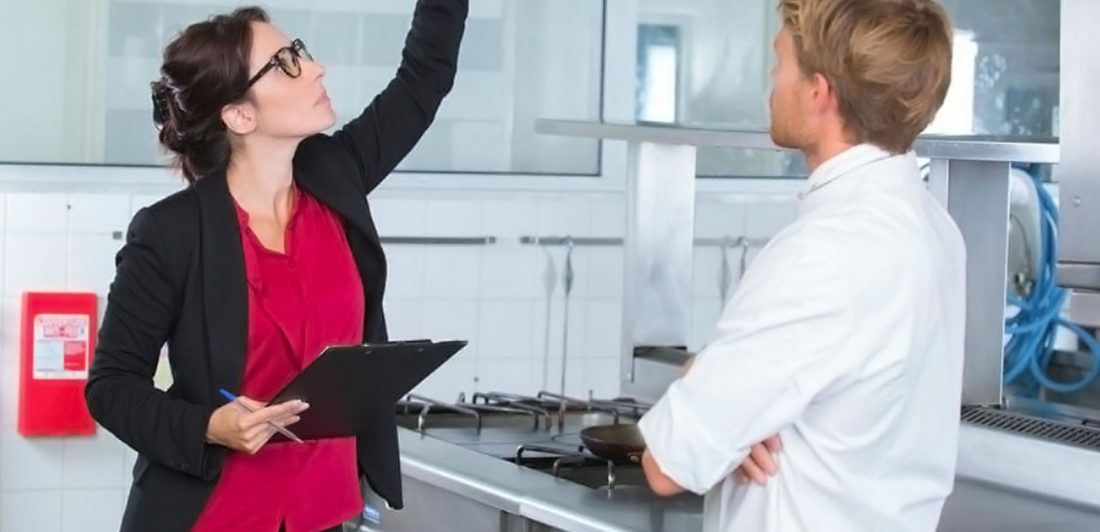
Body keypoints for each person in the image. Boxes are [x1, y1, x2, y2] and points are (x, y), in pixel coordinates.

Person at [84, 1, 467, 530]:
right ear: (239, 115)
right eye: (285, 62)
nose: (314, 68)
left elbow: (424, 76)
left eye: (300, 53)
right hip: (211, 516)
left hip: (324, 514)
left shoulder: (337, 177)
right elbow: (111, 387)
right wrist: (210, 426)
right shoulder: (170, 233)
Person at [637, 0, 965, 531]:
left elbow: (667, 464)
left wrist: (715, 391)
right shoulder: (934, 229)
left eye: (780, 63)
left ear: (819, 92)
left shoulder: (825, 252)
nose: (771, 81)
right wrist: (735, 416)